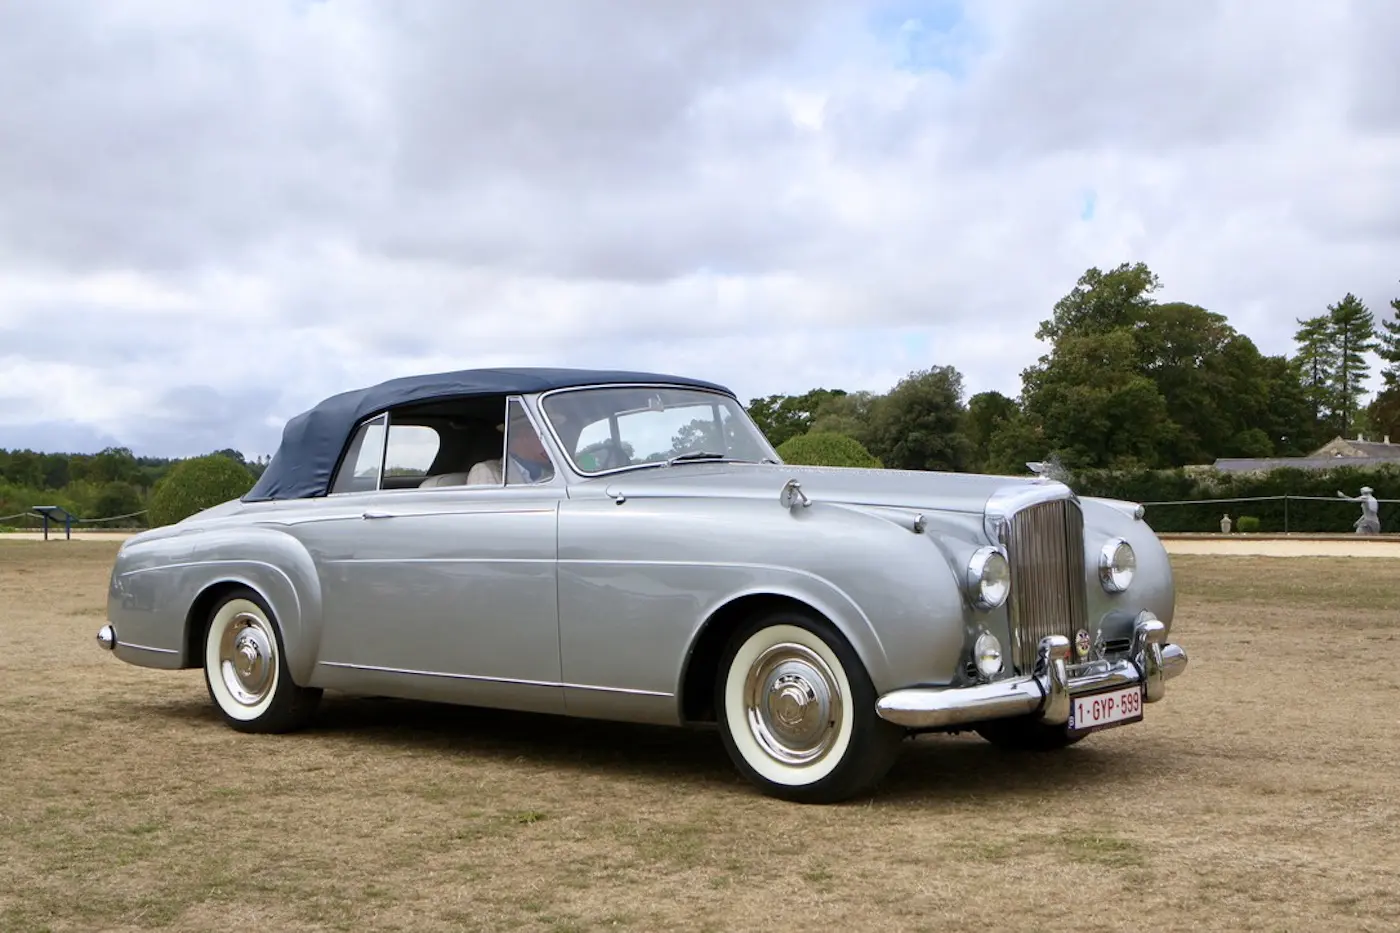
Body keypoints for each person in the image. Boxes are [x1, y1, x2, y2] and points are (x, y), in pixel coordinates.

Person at [466, 414, 555, 486]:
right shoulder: (486, 471)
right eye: (545, 436)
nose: (552, 443)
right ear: (523, 435)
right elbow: (484, 507)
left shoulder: (551, 473)